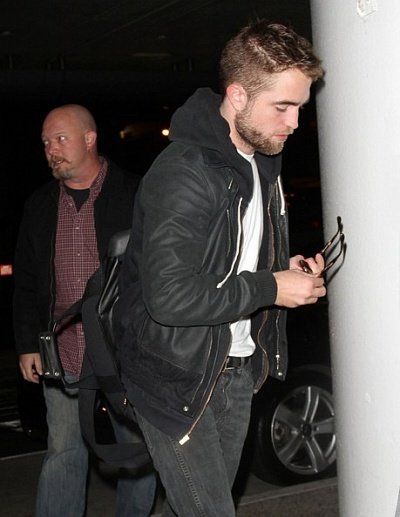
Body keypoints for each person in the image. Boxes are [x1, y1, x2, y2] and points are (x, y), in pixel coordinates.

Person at [114, 20, 326, 516]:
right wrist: (270, 287)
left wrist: (282, 268)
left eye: (300, 107)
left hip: (234, 370)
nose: (295, 122)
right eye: (282, 106)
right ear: (237, 95)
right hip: (176, 377)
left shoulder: (259, 162)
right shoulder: (185, 171)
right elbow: (170, 297)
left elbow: (228, 260)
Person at [13, 104, 156, 517]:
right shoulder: (40, 205)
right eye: (46, 142)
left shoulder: (135, 194)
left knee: (137, 449)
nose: (51, 150)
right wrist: (28, 344)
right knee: (63, 450)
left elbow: (159, 272)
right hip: (64, 352)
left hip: (123, 352)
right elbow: (27, 283)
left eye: (60, 139)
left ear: (90, 139)